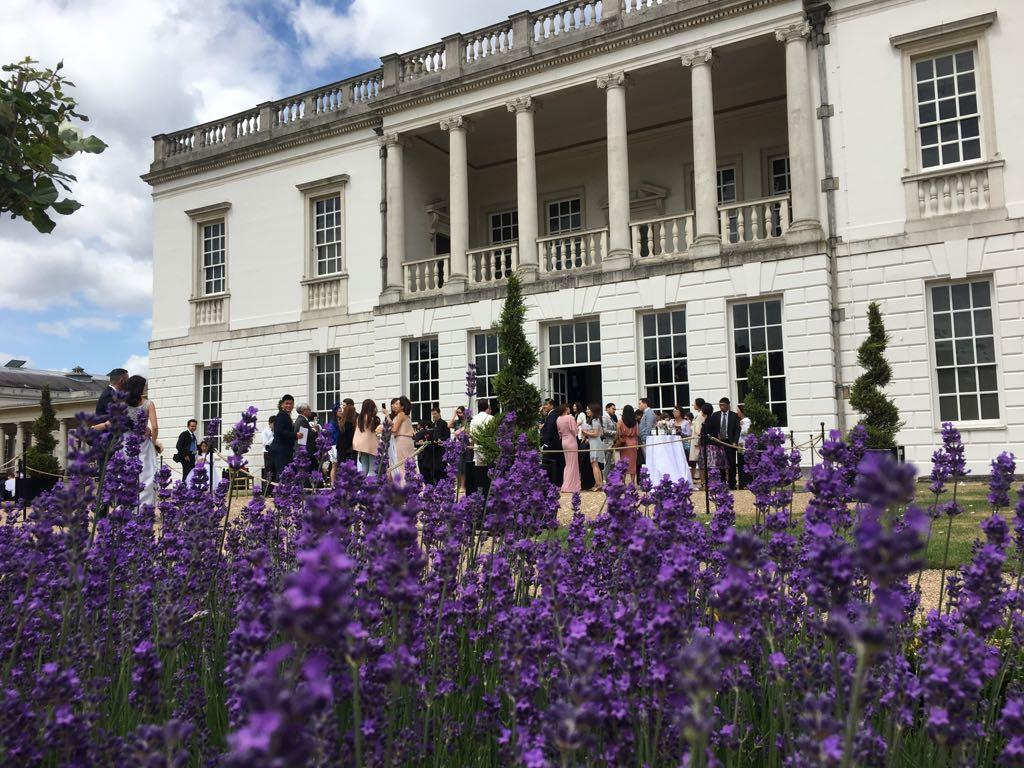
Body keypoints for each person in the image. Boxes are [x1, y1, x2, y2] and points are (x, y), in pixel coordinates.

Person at [123, 375, 159, 509]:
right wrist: (153, 443)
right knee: (147, 476)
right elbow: (155, 427)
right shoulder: (148, 403)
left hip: (126, 442)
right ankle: (145, 508)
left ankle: (126, 509)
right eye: (144, 385)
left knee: (125, 474)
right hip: (143, 443)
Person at [703, 397, 741, 490]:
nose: (721, 407)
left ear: (728, 405)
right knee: (721, 464)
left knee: (731, 463)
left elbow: (737, 430)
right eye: (720, 405)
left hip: (730, 442)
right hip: (719, 443)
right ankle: (722, 483)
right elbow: (710, 428)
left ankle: (732, 483)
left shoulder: (734, 416)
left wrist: (735, 442)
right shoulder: (715, 415)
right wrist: (715, 437)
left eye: (723, 405)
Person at [415, 407, 450, 484]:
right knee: (434, 468)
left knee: (441, 467)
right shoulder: (433, 424)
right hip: (433, 449)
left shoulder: (444, 423)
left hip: (441, 449)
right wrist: (425, 440)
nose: (434, 416)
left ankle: (443, 482)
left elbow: (447, 436)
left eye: (435, 414)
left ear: (439, 413)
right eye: (433, 414)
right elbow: (431, 436)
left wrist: (441, 440)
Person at [468, 399, 495, 496]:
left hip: (477, 448)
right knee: (490, 472)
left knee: (480, 473)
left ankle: (481, 492)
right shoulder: (491, 418)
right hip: (489, 448)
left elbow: (471, 435)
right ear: (487, 407)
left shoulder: (474, 419)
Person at [556, 404, 580, 493]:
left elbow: (559, 433)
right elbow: (574, 430)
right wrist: (576, 431)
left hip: (564, 441)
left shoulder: (558, 419)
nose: (570, 409)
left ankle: (566, 484)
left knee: (568, 464)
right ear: (566, 409)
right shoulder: (570, 417)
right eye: (568, 408)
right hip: (571, 441)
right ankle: (570, 486)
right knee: (573, 464)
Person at [271, 395, 297, 476]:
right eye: (286, 403)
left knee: (286, 473)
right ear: (282, 404)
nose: (289, 406)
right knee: (282, 474)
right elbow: (279, 431)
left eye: (291, 404)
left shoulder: (285, 416)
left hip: (284, 450)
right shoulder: (282, 415)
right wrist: (295, 435)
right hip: (281, 450)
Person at [391, 396, 415, 483]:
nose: (395, 406)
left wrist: (383, 429)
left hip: (401, 441)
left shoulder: (401, 415)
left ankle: (403, 487)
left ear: (402, 406)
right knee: (410, 465)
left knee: (401, 466)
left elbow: (394, 430)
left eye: (397, 404)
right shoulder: (407, 416)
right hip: (408, 441)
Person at [354, 399, 381, 475]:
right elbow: (374, 431)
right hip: (371, 445)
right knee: (372, 469)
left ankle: (361, 484)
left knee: (364, 468)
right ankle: (371, 485)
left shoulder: (359, 418)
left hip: (362, 446)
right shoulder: (371, 418)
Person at [581, 403, 605, 490]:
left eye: (588, 409)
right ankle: (599, 483)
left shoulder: (595, 420)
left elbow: (595, 434)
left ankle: (598, 484)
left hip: (595, 443)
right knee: (596, 464)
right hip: (595, 443)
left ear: (593, 411)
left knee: (594, 464)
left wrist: (585, 433)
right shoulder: (596, 420)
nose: (587, 411)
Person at [540, 399, 562, 486]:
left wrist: (546, 443)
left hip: (551, 445)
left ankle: (552, 483)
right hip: (550, 444)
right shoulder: (550, 415)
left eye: (546, 404)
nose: (544, 406)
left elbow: (549, 429)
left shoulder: (553, 414)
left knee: (550, 464)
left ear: (551, 406)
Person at [616, 404, 639, 483]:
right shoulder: (635, 422)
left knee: (624, 464)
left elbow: (619, 434)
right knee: (633, 464)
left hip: (624, 444)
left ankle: (623, 482)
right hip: (633, 443)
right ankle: (632, 482)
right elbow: (637, 433)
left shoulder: (620, 422)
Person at [690, 398, 706, 484]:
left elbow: (698, 430)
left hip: (697, 442)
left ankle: (703, 481)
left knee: (701, 462)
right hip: (695, 440)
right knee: (700, 462)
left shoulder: (700, 415)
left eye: (694, 403)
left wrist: (697, 442)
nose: (693, 405)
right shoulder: (698, 415)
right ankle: (703, 481)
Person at [637, 398, 656, 466]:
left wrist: (645, 438)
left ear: (645, 404)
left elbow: (649, 427)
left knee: (648, 459)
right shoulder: (646, 413)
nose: (639, 405)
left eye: (640, 404)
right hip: (644, 439)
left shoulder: (649, 413)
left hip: (646, 440)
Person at [737, 404, 751, 489]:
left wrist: (741, 427)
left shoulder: (746, 421)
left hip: (744, 444)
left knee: (744, 463)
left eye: (738, 410)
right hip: (740, 444)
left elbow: (746, 432)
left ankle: (745, 482)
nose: (737, 412)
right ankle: (742, 483)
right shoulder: (742, 420)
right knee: (741, 463)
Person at [261, 416, 275, 493]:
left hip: (275, 453)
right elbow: (265, 443)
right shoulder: (265, 431)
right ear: (270, 423)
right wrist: (274, 437)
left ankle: (273, 490)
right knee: (268, 471)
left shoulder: (276, 431)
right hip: (267, 453)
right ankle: (266, 491)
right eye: (274, 424)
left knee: (275, 470)